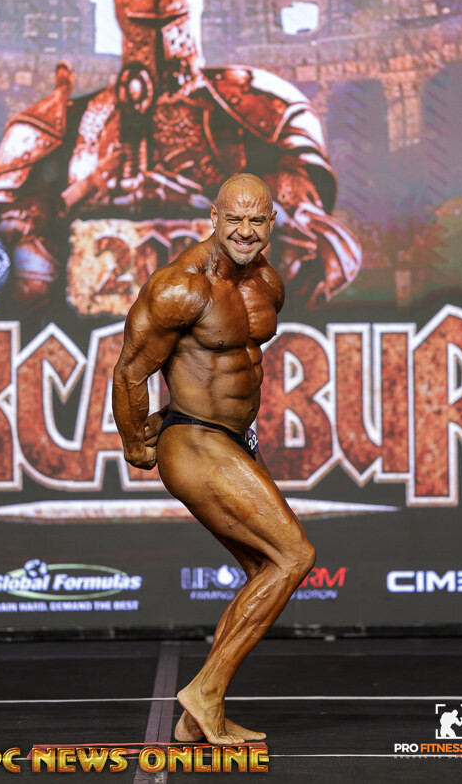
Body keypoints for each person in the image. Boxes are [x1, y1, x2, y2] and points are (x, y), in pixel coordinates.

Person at [0, 0, 360, 308]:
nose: (160, 38)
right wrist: (85, 191)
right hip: (95, 301)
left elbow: (305, 214)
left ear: (191, 15)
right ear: (124, 20)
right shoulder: (72, 118)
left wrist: (209, 199)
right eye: (144, 24)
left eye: (170, 21)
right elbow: (8, 229)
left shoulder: (261, 102)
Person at [112, 172, 315, 745]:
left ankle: (200, 716)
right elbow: (130, 370)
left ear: (272, 223)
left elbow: (235, 363)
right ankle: (204, 692)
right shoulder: (180, 288)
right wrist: (136, 441)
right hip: (194, 441)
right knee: (294, 556)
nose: (245, 231)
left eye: (257, 220)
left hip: (234, 440)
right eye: (235, 219)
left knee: (265, 569)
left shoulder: (267, 282)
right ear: (214, 218)